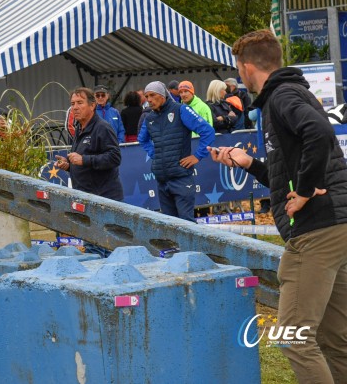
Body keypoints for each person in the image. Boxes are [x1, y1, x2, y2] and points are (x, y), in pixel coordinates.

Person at [208, 30, 347, 384]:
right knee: (334, 340)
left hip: (316, 229)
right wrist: (248, 163)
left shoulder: (281, 96)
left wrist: (303, 191)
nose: (239, 76)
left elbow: (319, 131)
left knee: (293, 338)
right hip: (336, 224)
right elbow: (290, 166)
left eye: (238, 69)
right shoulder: (291, 94)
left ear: (246, 66)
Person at [138, 82, 216, 221]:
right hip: (162, 179)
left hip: (181, 178)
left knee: (186, 224)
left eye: (152, 95)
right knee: (170, 226)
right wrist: (154, 154)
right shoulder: (149, 117)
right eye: (146, 96)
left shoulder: (181, 110)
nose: (149, 99)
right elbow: (142, 139)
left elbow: (208, 131)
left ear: (162, 96)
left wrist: (197, 156)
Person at [54, 87, 123, 200]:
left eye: (80, 103)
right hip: (85, 196)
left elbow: (115, 158)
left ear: (92, 105)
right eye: (72, 104)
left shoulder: (102, 127)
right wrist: (69, 165)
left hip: (104, 198)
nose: (75, 107)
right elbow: (83, 160)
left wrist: (83, 159)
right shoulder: (79, 128)